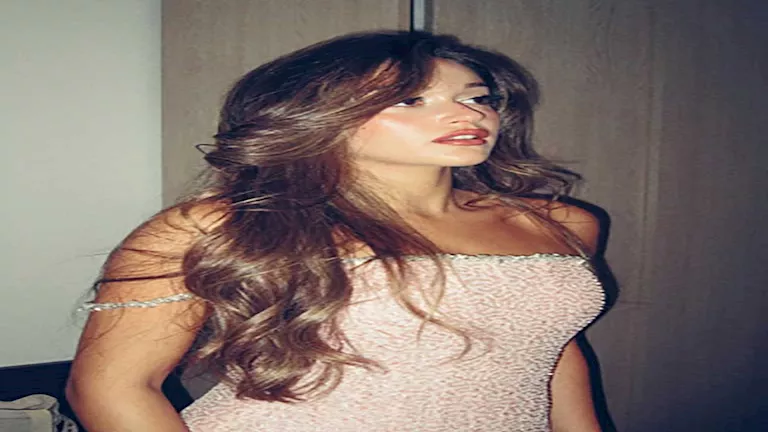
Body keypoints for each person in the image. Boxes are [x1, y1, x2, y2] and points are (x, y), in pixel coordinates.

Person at [66, 30, 606, 431]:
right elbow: (112, 388)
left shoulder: (560, 224)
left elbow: (547, 349)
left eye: (477, 96)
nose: (467, 114)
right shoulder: (217, 225)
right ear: (321, 116)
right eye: (411, 100)